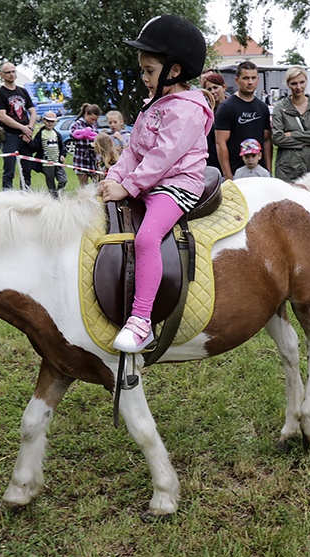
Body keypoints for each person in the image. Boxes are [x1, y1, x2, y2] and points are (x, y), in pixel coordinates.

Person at [99, 14, 212, 353]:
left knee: (147, 238)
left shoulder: (188, 110)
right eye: (143, 70)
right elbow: (133, 151)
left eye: (149, 70)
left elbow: (162, 157)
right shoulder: (154, 107)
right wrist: (113, 178)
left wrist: (129, 187)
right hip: (149, 180)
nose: (144, 77)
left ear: (173, 71)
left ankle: (141, 321)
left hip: (176, 185)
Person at [215, 60, 272, 180]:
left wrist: (268, 170)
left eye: (253, 78)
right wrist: (227, 175)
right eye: (245, 78)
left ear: (258, 79)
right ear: (237, 80)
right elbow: (220, 143)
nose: (250, 82)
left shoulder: (263, 108)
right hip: (236, 173)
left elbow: (267, 140)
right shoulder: (226, 108)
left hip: (259, 174)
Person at [271, 66, 310, 181]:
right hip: (288, 167)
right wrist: (305, 142)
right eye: (294, 83)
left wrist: (292, 134)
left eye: (302, 82)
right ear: (288, 84)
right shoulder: (280, 108)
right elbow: (277, 138)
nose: (298, 87)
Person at [0, 62, 37, 189]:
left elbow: (32, 111)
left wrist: (29, 128)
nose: (11, 75)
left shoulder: (22, 91)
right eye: (8, 72)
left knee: (27, 170)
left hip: (25, 135)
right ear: (2, 75)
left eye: (13, 71)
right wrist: (22, 128)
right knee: (9, 170)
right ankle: (8, 197)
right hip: (9, 135)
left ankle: (26, 196)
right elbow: (2, 116)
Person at [30, 112, 67, 199]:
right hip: (46, 164)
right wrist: (29, 141)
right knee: (51, 183)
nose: (50, 123)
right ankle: (54, 198)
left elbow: (62, 147)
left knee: (63, 180)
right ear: (43, 121)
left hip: (57, 162)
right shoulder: (41, 134)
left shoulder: (56, 134)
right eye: (48, 121)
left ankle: (58, 193)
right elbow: (34, 147)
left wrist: (62, 155)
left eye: (52, 121)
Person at [202, 71, 227, 173]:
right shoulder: (205, 111)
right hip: (211, 161)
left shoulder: (232, 107)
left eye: (215, 87)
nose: (212, 92)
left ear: (223, 87)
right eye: (209, 89)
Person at [72, 104, 101, 186]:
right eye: (92, 119)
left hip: (92, 160)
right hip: (81, 158)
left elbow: (96, 137)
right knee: (84, 185)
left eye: (95, 120)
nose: (93, 122)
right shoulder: (77, 124)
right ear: (86, 114)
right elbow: (73, 135)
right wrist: (84, 135)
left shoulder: (93, 126)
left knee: (97, 183)